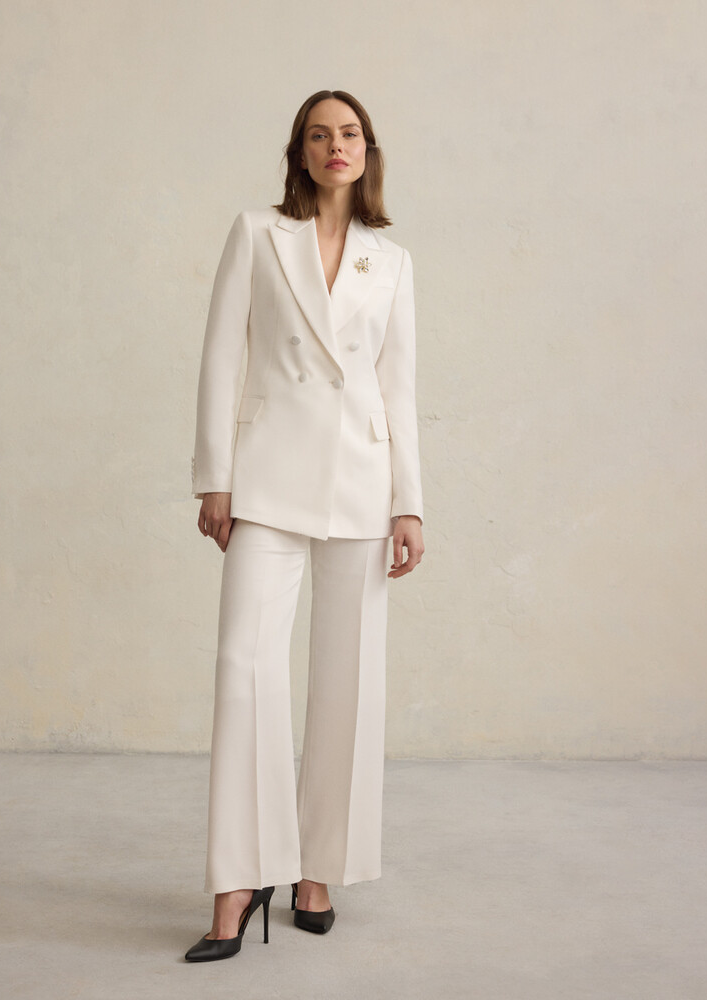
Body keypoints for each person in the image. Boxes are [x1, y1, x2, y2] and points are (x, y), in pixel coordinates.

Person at [184, 90, 424, 963]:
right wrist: (215, 476)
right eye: (319, 134)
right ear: (300, 151)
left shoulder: (390, 261)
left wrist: (409, 501)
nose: (335, 146)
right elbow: (221, 354)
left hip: (362, 482)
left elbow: (398, 388)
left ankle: (319, 869)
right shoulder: (257, 234)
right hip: (267, 478)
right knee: (245, 667)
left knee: (348, 680)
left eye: (349, 133)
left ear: (367, 151)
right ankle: (239, 880)